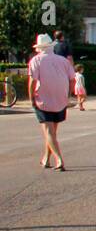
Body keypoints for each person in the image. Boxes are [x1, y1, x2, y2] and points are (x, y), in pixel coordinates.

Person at [27, 33, 76, 171]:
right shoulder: (63, 61)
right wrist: (68, 94)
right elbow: (72, 79)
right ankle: (46, 158)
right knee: (53, 131)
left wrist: (31, 97)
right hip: (60, 98)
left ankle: (59, 159)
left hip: (43, 98)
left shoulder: (36, 61)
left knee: (49, 131)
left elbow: (32, 82)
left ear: (39, 48)